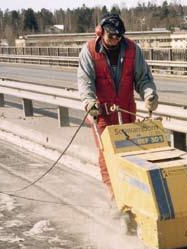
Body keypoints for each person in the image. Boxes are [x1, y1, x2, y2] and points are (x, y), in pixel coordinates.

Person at [77, 13, 158, 200]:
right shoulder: (89, 51)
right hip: (102, 113)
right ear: (100, 32)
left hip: (126, 110)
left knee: (131, 152)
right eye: (111, 36)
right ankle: (114, 195)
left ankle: (134, 192)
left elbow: (143, 78)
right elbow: (85, 81)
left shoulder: (132, 50)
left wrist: (149, 94)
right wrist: (89, 102)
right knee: (107, 154)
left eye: (118, 37)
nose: (115, 40)